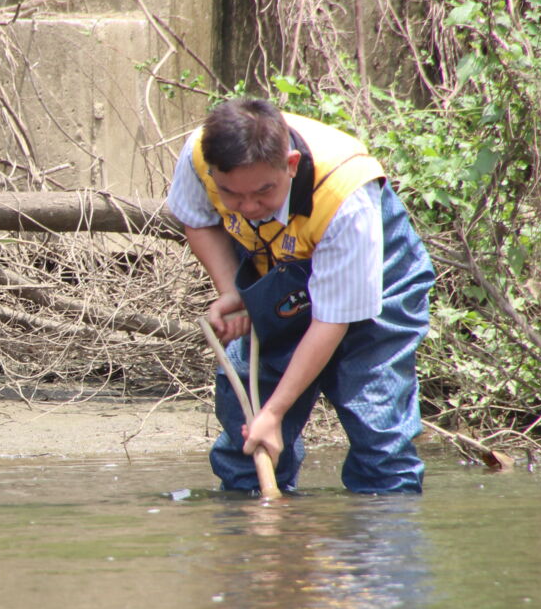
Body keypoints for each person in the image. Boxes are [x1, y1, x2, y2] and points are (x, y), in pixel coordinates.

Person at [165, 98, 435, 494]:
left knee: (379, 435)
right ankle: (256, 544)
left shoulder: (347, 198)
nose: (249, 208)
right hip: (276, 270)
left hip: (375, 276)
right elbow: (199, 220)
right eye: (232, 196)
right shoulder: (199, 152)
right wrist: (233, 292)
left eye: (263, 193)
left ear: (290, 165)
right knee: (249, 442)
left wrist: (275, 412)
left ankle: (381, 541)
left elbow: (332, 318)